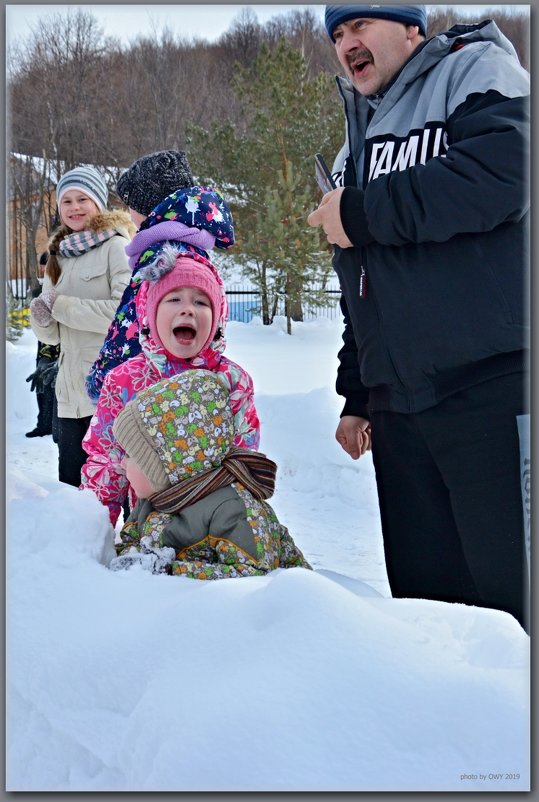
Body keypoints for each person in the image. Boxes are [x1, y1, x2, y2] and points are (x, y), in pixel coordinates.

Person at [308, 6, 530, 631]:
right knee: (429, 618)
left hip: (492, 387)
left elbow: (506, 173)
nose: (347, 42)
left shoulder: (473, 68)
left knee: (515, 607)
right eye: (337, 34)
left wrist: (362, 213)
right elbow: (364, 284)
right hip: (400, 413)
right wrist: (357, 392)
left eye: (360, 25)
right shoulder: (357, 142)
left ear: (411, 28)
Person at [81, 244, 260, 526]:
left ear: (217, 320)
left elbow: (244, 458)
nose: (188, 309)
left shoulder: (231, 381)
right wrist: (93, 530)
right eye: (174, 299)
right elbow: (107, 460)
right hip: (146, 522)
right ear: (151, 314)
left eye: (201, 302)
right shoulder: (124, 381)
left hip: (215, 522)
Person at [109, 369, 310, 578]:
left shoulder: (232, 508)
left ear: (165, 465)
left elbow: (255, 576)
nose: (123, 463)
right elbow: (130, 543)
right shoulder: (153, 500)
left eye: (132, 456)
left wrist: (170, 570)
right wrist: (133, 561)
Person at [86, 149, 234, 402]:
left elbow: (133, 325)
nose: (129, 212)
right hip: (178, 388)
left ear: (150, 207)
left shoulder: (160, 256)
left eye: (131, 204)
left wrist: (103, 378)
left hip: (145, 394)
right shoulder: (192, 246)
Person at [30, 165, 134, 487]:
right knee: (71, 487)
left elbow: (123, 313)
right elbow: (53, 334)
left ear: (98, 203)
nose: (74, 208)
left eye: (82, 199)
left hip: (106, 388)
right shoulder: (57, 255)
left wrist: (60, 306)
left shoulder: (116, 247)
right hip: (69, 392)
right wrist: (42, 319)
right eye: (67, 202)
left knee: (115, 483)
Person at [26, 254, 60, 439]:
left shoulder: (60, 287)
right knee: (41, 386)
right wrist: (44, 357)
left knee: (57, 390)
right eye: (41, 266)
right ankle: (43, 424)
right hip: (44, 346)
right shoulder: (40, 289)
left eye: (44, 265)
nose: (42, 269)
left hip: (61, 347)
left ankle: (55, 425)